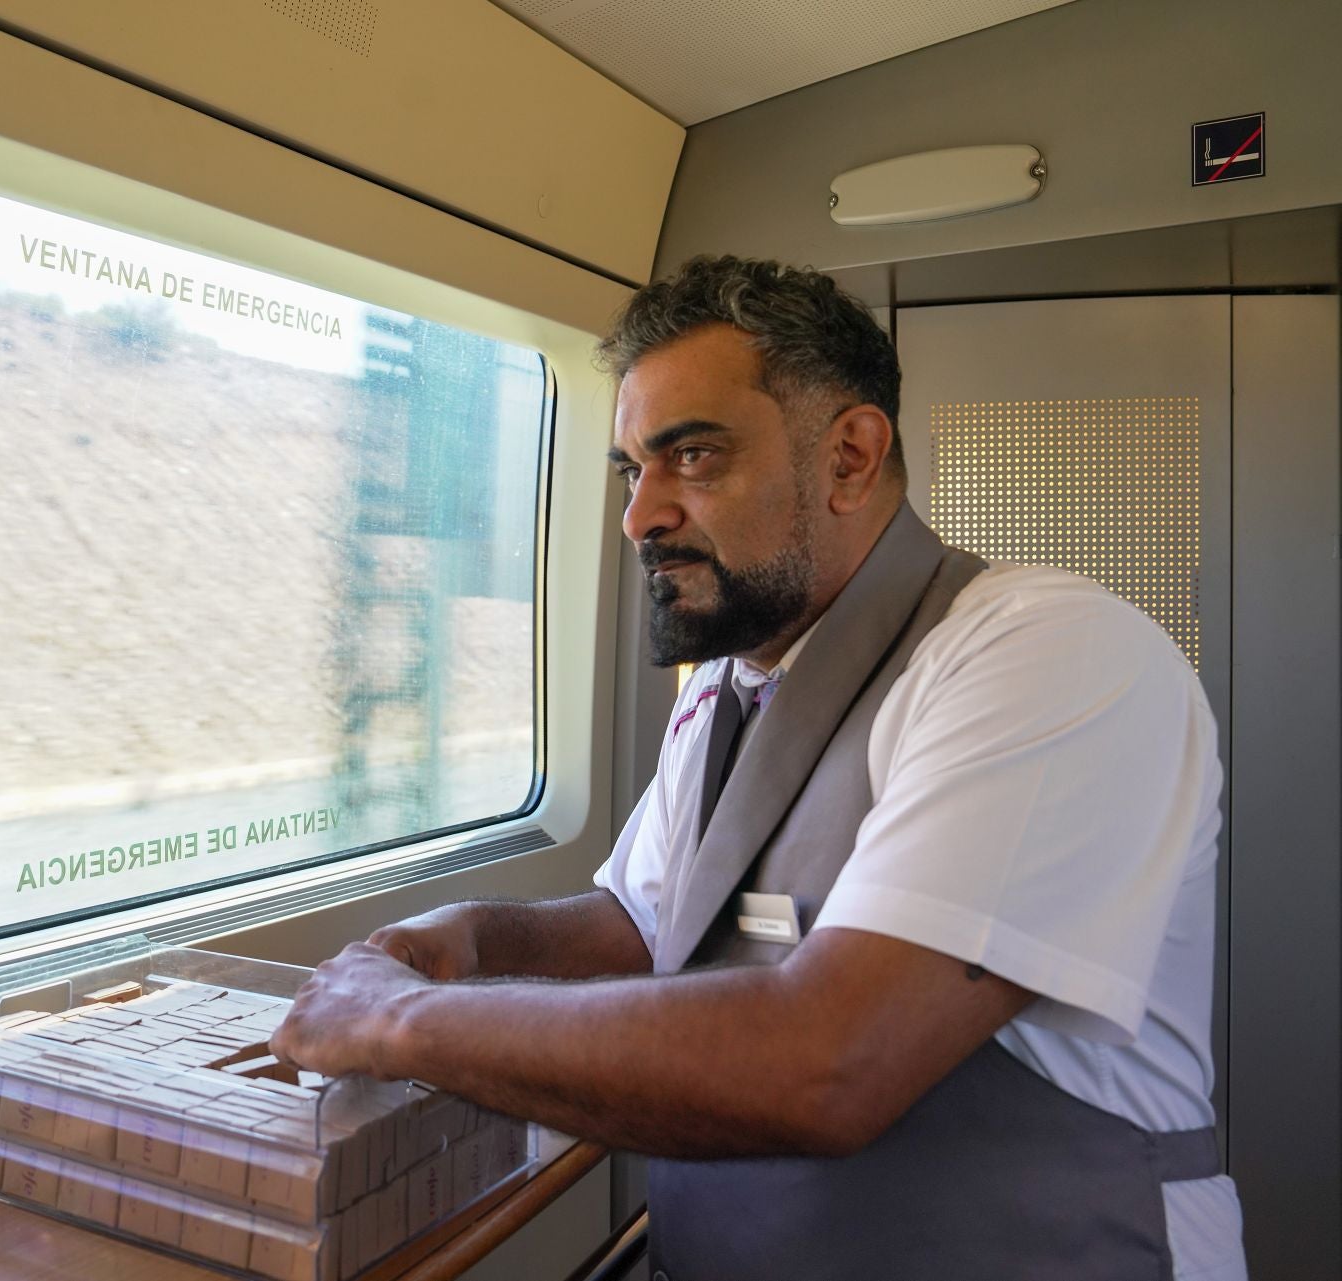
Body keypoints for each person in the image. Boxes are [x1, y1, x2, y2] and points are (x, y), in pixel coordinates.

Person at [270, 256, 1246, 1280]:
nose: (640, 517)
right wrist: (472, 936)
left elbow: (832, 1060)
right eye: (629, 471)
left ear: (851, 458)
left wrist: (398, 1021)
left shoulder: (1047, 651)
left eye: (690, 456)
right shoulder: (723, 691)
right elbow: (647, 927)